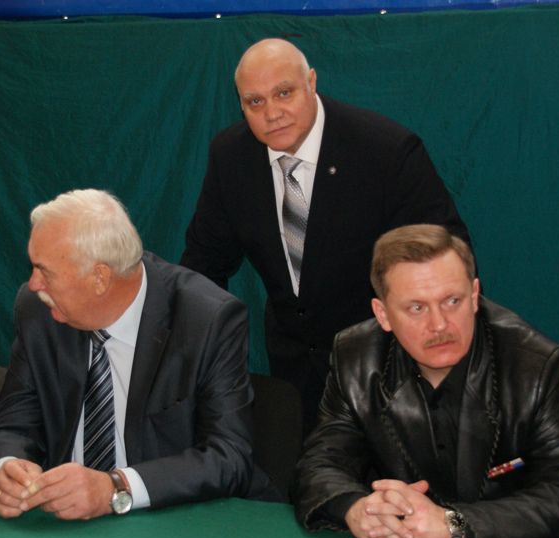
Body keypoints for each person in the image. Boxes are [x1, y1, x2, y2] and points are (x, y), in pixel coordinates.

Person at [181, 38, 471, 433]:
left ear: (312, 82)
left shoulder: (386, 151)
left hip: (389, 373)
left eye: (284, 93)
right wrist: (198, 361)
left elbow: (447, 259)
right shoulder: (231, 157)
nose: (272, 113)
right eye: (255, 102)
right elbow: (203, 264)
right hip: (295, 381)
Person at [293, 224, 559, 538]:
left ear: (474, 296)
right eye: (417, 308)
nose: (439, 325)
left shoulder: (534, 365)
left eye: (452, 301)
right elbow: (319, 465)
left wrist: (455, 524)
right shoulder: (356, 358)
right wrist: (356, 509)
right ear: (383, 315)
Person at [0, 188, 257, 521]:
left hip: (174, 525)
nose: (34, 284)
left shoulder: (206, 319)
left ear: (100, 278)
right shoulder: (39, 311)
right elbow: (10, 426)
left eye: (44, 271)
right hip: (63, 526)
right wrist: (6, 468)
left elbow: (229, 457)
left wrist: (116, 487)